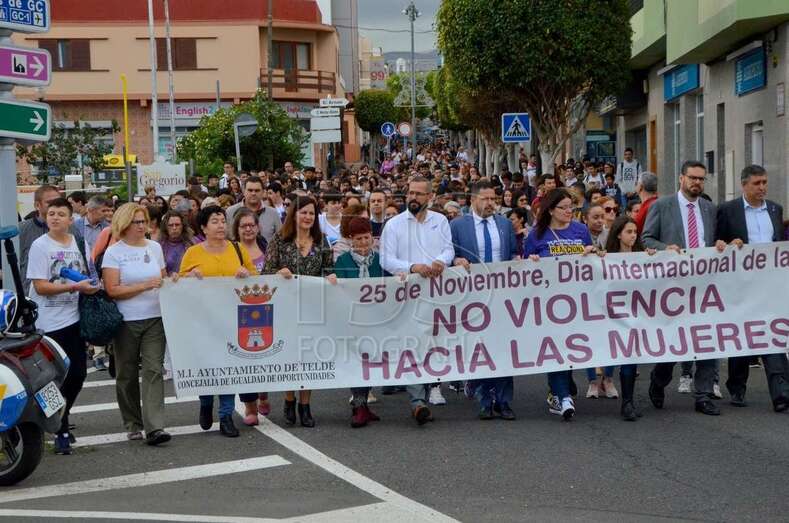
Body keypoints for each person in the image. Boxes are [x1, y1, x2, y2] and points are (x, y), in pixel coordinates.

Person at [642, 161, 726, 416]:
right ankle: (659, 380)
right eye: (693, 178)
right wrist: (664, 249)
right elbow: (646, 238)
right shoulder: (662, 205)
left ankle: (703, 395)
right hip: (673, 288)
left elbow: (712, 242)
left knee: (707, 340)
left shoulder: (710, 209)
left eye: (701, 179)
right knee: (673, 343)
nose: (697, 183)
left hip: (704, 287)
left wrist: (721, 245)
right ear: (681, 178)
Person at [380, 176, 455, 425]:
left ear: (429, 197)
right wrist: (413, 267)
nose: (413, 197)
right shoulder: (394, 225)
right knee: (411, 344)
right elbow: (386, 260)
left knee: (434, 342)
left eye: (419, 194)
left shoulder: (441, 221)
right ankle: (416, 401)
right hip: (406, 294)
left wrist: (440, 261)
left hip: (436, 292)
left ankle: (433, 385)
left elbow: (449, 250)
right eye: (410, 193)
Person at [26, 198, 99, 454]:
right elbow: (40, 286)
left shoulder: (81, 243)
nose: (55, 217)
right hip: (47, 323)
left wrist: (90, 287)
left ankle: (59, 418)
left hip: (74, 319)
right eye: (51, 213)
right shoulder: (40, 245)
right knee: (50, 380)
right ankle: (61, 429)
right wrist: (73, 286)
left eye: (61, 214)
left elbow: (90, 277)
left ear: (71, 219)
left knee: (77, 375)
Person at [179, 206, 259, 437]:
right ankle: (205, 402)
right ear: (203, 227)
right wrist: (189, 277)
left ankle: (225, 415)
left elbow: (255, 275)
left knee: (228, 366)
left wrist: (247, 274)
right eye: (214, 221)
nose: (220, 225)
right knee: (206, 365)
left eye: (223, 221)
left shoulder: (238, 248)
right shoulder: (193, 252)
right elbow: (178, 283)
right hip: (203, 320)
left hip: (232, 319)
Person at [716, 165, 789, 412]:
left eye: (765, 182)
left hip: (769, 286)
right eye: (757, 183)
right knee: (742, 336)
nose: (762, 188)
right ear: (744, 185)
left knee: (772, 336)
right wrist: (727, 244)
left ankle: (781, 393)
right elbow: (715, 245)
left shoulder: (775, 210)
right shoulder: (728, 211)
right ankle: (737, 386)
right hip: (739, 287)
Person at [524, 188, 598, 420]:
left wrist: (592, 252)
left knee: (572, 346)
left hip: (578, 302)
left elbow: (593, 261)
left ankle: (562, 385)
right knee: (555, 348)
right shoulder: (537, 234)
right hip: (549, 304)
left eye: (572, 208)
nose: (569, 212)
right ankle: (563, 396)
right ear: (551, 210)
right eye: (564, 208)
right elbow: (522, 269)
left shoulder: (581, 230)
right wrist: (532, 261)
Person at [263, 196, 337, 428]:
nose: (307, 217)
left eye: (311, 214)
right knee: (290, 356)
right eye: (303, 212)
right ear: (294, 214)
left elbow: (329, 269)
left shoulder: (321, 240)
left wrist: (331, 276)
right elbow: (266, 271)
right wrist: (279, 272)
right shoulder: (279, 240)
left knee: (309, 356)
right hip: (286, 308)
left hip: (313, 307)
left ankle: (305, 406)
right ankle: (289, 399)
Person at [102, 203, 171, 446]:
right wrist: (144, 285)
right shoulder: (114, 252)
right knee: (126, 373)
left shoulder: (154, 247)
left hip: (155, 317)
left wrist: (175, 281)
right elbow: (112, 290)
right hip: (125, 321)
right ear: (125, 224)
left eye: (144, 221)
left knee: (153, 370)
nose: (142, 226)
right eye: (137, 222)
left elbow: (163, 279)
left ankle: (155, 427)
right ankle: (132, 422)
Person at [451, 181, 518, 420]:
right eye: (485, 199)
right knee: (479, 347)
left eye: (494, 199)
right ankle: (484, 399)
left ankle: (504, 400)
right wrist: (456, 261)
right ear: (473, 200)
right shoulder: (458, 225)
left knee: (503, 346)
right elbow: (450, 255)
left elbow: (511, 255)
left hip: (501, 295)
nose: (491, 203)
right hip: (473, 296)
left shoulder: (504, 224)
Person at [603, 216, 656, 419]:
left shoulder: (642, 256)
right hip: (612, 315)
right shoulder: (607, 258)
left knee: (630, 358)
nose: (633, 236)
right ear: (618, 234)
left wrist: (653, 257)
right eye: (629, 232)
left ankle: (627, 402)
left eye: (635, 232)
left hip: (635, 315)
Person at [335, 217, 386, 428]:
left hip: (377, 317)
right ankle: (358, 407)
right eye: (359, 239)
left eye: (367, 238)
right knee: (357, 361)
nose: (365, 243)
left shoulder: (380, 260)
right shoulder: (343, 261)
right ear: (350, 240)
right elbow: (339, 289)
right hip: (353, 320)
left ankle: (364, 405)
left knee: (371, 360)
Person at [20, 185, 83, 295]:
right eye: (50, 202)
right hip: (32, 299)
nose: (55, 205)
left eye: (59, 201)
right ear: (37, 205)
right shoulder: (22, 230)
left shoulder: (73, 230)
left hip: (69, 300)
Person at [225, 176, 282, 244]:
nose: (253, 193)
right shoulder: (230, 212)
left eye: (257, 190)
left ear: (263, 192)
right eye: (250, 190)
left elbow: (281, 239)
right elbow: (226, 239)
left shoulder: (273, 213)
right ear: (243, 191)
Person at [158, 211, 194, 276]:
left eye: (177, 225)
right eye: (170, 225)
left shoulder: (192, 244)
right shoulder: (159, 246)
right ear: (166, 227)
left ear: (182, 226)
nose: (174, 228)